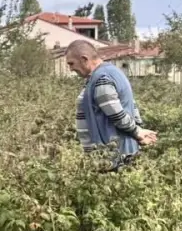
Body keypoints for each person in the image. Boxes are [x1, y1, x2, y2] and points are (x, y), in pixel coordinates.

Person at [64, 39, 158, 168]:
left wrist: (137, 131)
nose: (70, 68)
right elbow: (131, 105)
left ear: (84, 59)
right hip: (113, 154)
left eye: (71, 63)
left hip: (112, 156)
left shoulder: (102, 78)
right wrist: (138, 130)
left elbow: (117, 114)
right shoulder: (109, 73)